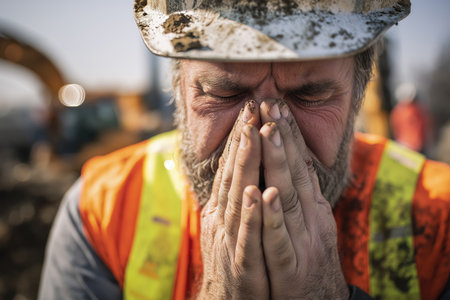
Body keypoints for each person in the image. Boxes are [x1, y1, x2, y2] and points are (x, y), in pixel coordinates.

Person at [39, 1, 450, 299]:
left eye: (310, 95)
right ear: (179, 91)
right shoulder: (103, 214)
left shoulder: (439, 220)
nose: (264, 130)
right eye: (224, 92)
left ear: (357, 97)